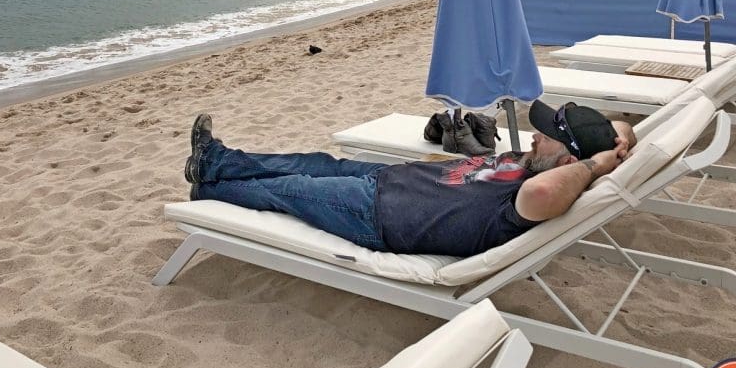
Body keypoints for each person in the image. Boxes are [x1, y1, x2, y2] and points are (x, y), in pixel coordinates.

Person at [184, 105, 633, 257]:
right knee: (314, 161)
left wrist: (597, 165)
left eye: (548, 136)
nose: (535, 136)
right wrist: (615, 145)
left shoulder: (538, 196)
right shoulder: (543, 163)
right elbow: (620, 127)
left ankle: (208, 188)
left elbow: (543, 190)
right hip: (390, 180)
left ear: (572, 159)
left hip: (379, 216)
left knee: (287, 190)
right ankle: (217, 160)